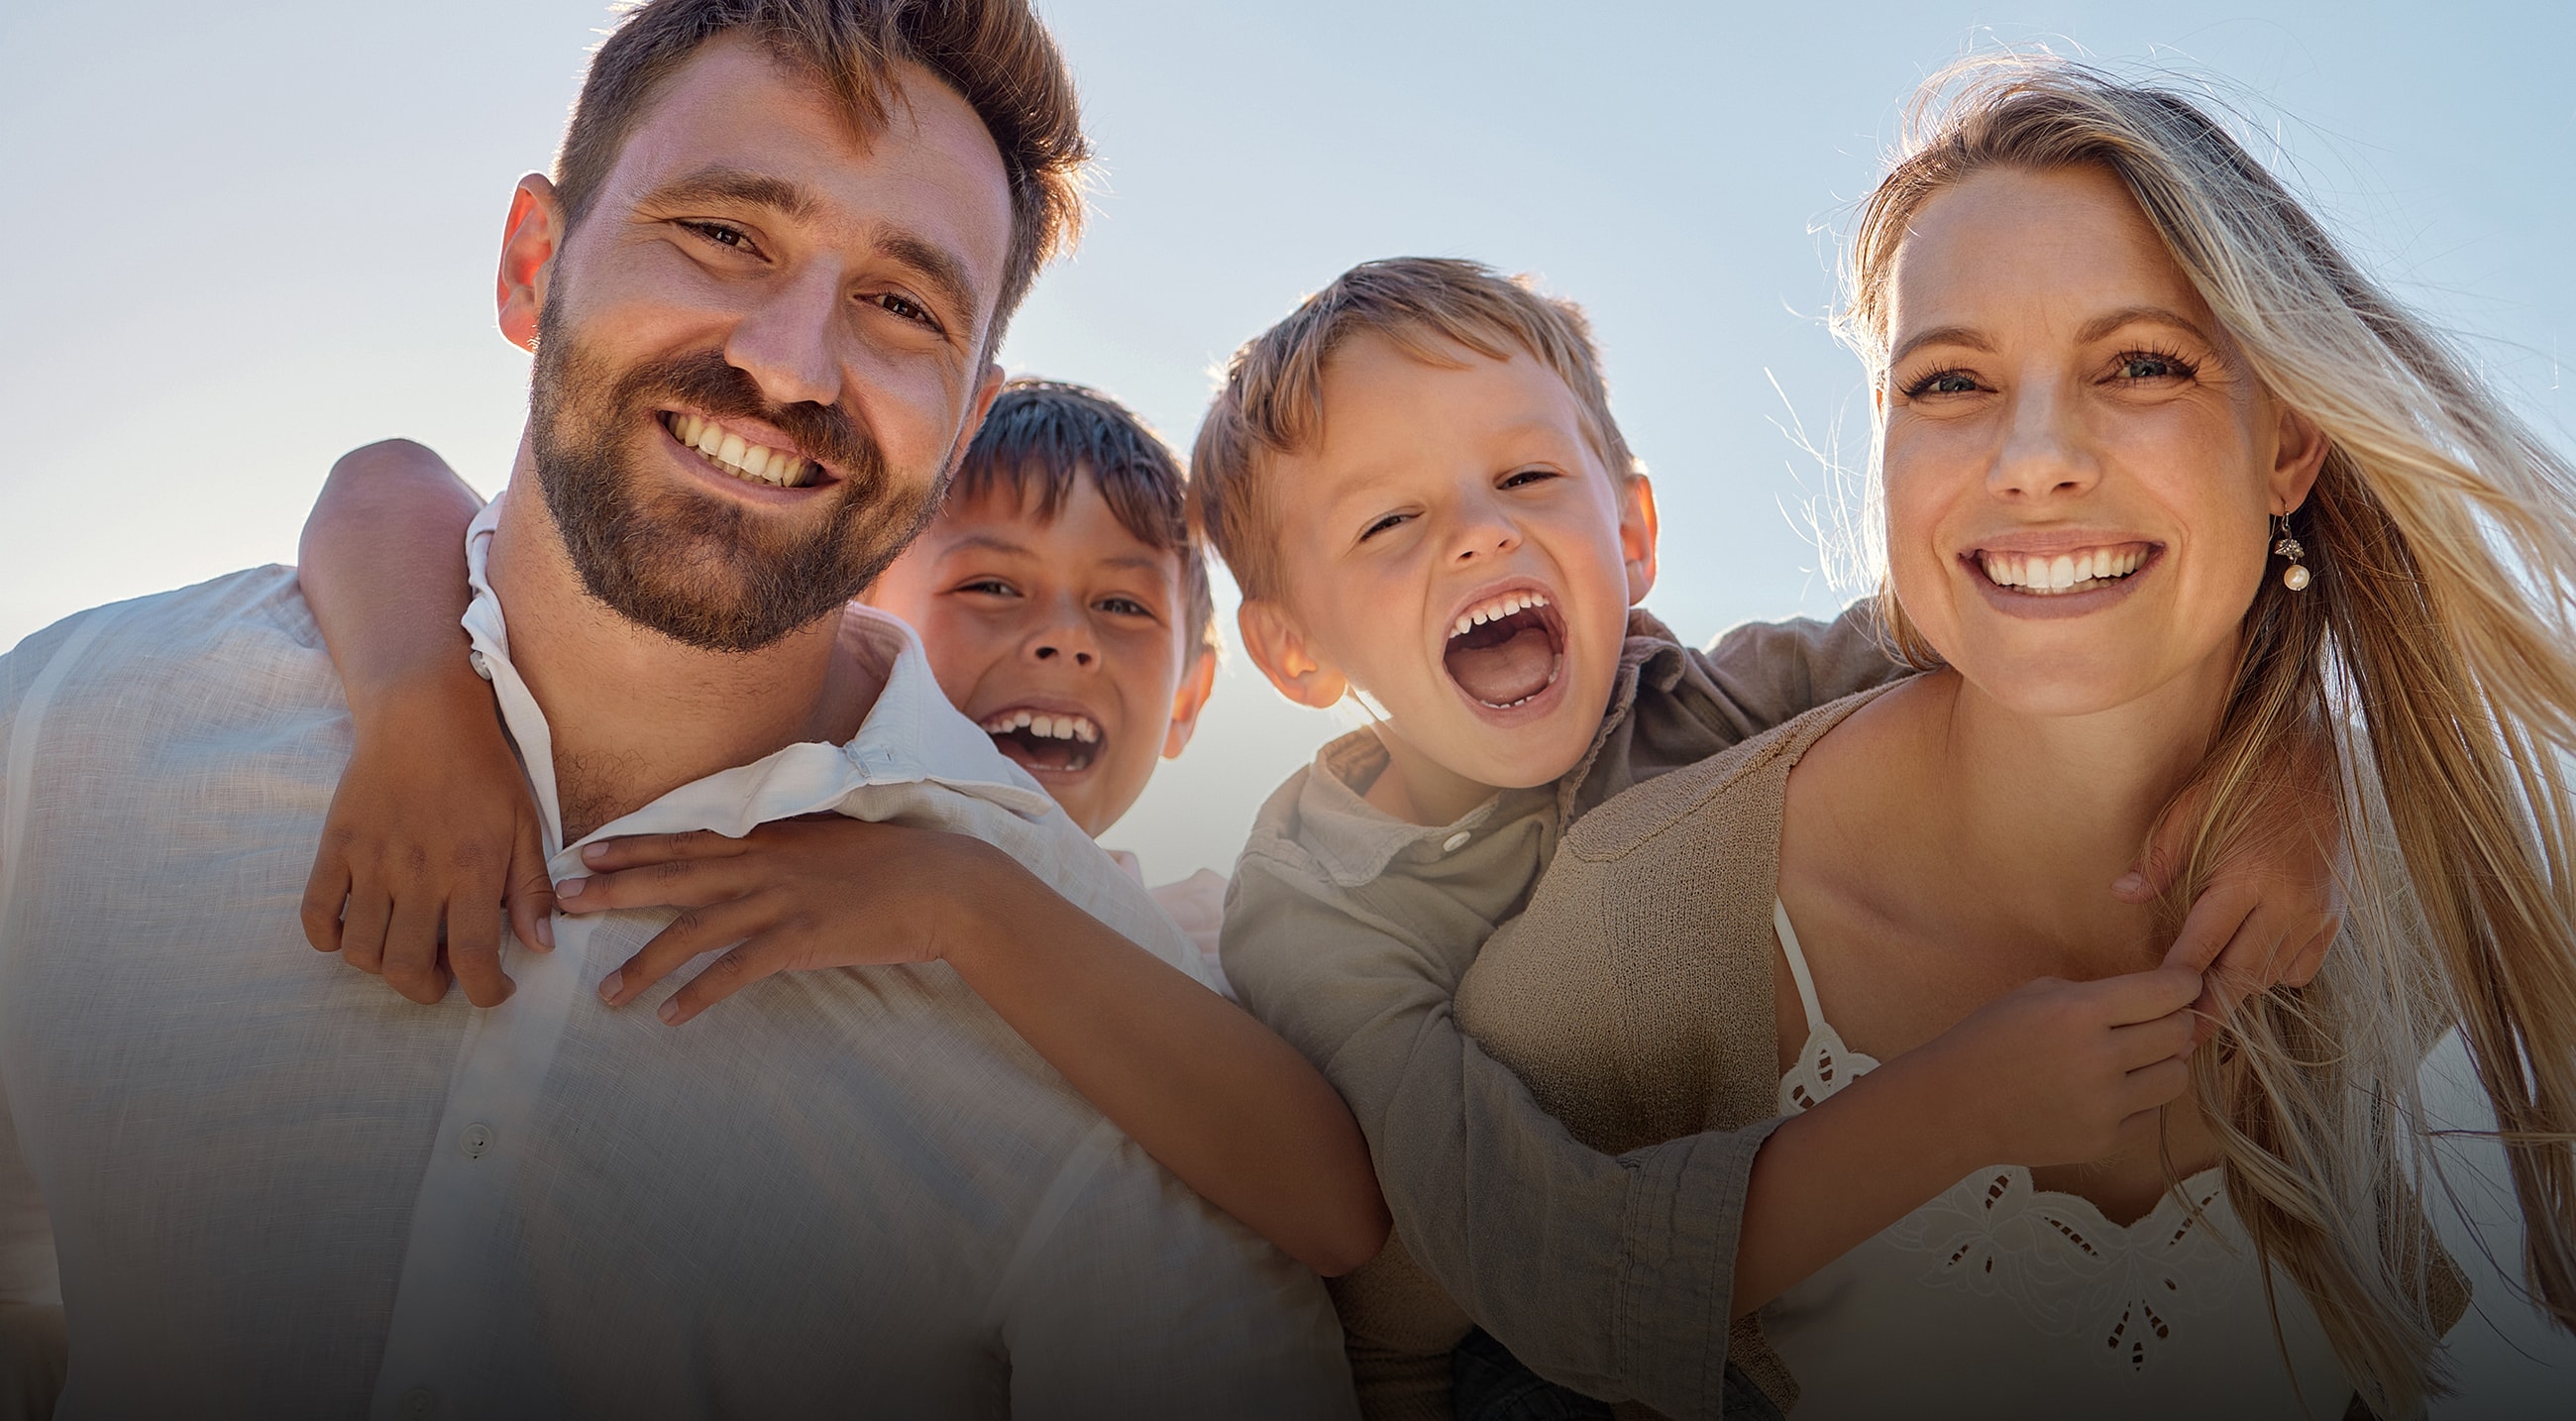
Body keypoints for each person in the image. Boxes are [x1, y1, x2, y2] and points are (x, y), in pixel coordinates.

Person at [0, 1, 1364, 1414]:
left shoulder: (1105, 1034)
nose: (789, 363)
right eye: (722, 233)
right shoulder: (71, 737)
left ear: (962, 424)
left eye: (902, 305)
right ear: (535, 262)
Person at [1446, 57, 2576, 1417]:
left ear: (2289, 445)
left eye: (2141, 363)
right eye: (1951, 382)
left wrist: (2329, 754)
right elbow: (1404, 1327)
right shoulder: (1646, 916)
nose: (2034, 455)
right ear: (1886, 441)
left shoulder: (2450, 876)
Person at [1197, 257, 2346, 1418]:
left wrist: (2295, 771)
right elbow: (1528, 1262)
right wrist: (1960, 1110)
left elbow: (2044, 617)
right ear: (1295, 650)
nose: (1479, 536)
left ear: (1631, 531)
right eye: (1391, 520)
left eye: (1526, 474)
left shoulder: (1721, 702)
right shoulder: (1318, 912)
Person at [304, 377, 1237, 987]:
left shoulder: (1189, 945)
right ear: (850, 600)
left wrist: (962, 896)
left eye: (1124, 608)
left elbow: (1318, 1193)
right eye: (992, 586)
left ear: (1191, 699)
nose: (1064, 643)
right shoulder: (749, 778)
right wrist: (426, 709)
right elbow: (387, 480)